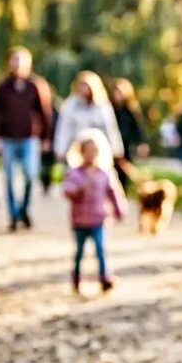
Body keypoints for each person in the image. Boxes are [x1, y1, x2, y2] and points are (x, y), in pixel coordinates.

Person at [0, 47, 53, 231]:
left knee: (30, 176)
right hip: (8, 138)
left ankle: (24, 209)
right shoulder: (3, 87)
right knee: (8, 178)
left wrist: (46, 137)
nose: (16, 64)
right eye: (13, 60)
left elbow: (45, 113)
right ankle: (13, 214)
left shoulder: (36, 86)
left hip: (29, 138)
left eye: (20, 60)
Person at [62, 130, 126, 294]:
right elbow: (67, 191)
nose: (91, 155)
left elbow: (113, 192)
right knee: (79, 251)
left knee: (101, 249)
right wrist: (79, 189)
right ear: (80, 153)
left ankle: (105, 277)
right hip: (80, 221)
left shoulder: (104, 173)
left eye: (94, 151)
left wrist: (119, 209)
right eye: (87, 151)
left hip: (99, 219)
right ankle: (76, 276)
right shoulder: (75, 173)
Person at [54, 71, 124, 168]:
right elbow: (64, 129)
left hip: (99, 150)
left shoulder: (102, 105)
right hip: (77, 149)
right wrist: (60, 150)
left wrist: (116, 149)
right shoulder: (70, 105)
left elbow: (110, 128)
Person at [110, 78, 149, 188]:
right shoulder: (110, 109)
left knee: (123, 173)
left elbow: (138, 128)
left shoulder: (131, 109)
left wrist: (141, 143)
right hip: (112, 145)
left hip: (126, 145)